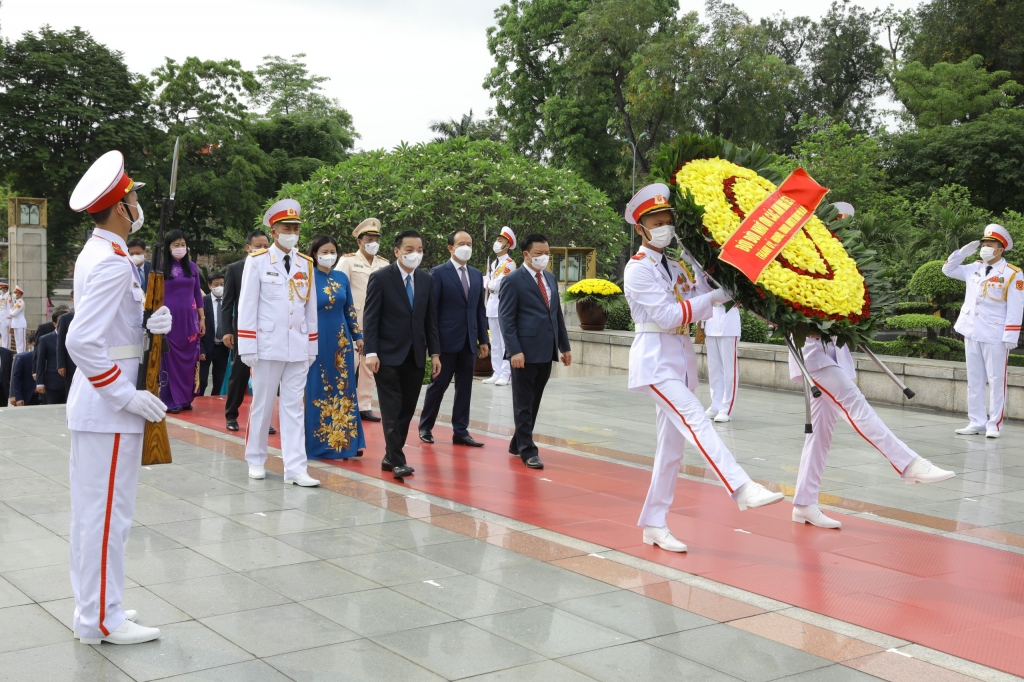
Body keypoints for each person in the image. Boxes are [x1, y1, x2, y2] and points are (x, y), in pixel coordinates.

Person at [623, 183, 783, 554]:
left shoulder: (677, 264)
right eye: (656, 221)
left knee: (671, 450)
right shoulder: (637, 270)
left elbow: (699, 297)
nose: (664, 226)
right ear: (640, 228)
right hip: (654, 361)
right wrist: (712, 297)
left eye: (668, 220)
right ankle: (741, 487)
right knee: (697, 418)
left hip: (680, 361)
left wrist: (723, 280)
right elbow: (665, 316)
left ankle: (654, 523)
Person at [66, 149, 171, 644]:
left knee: (98, 518)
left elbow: (113, 332)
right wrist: (127, 397)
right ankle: (99, 622)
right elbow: (81, 341)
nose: (137, 205)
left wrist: (149, 324)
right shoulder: (109, 263)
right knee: (107, 520)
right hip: (109, 412)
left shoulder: (104, 255)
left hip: (101, 412)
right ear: (119, 208)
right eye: (132, 198)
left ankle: (99, 607)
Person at [789, 337, 956, 528]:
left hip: (831, 352)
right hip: (813, 356)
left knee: (818, 435)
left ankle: (804, 502)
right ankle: (909, 463)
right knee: (856, 405)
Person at [237, 199, 320, 487]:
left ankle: (296, 468)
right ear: (274, 231)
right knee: (262, 404)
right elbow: (247, 304)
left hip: (297, 345)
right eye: (287, 227)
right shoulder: (258, 261)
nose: (293, 232)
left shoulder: (305, 264)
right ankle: (256, 458)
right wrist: (247, 345)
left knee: (294, 406)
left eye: (296, 228)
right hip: (267, 344)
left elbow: (310, 308)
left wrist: (312, 346)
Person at [362, 230, 441, 480]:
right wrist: (371, 352)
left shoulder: (426, 280)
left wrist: (435, 353)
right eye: (409, 249)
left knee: (407, 408)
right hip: (386, 356)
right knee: (391, 406)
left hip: (415, 355)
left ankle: (389, 455)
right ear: (397, 252)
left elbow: (430, 320)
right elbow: (371, 318)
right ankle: (398, 460)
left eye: (418, 249)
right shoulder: (381, 278)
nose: (414, 253)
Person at [943, 224, 1024, 438]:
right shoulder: (974, 268)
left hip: (996, 335)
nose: (985, 247)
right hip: (972, 331)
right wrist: (962, 253)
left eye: (991, 244)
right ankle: (976, 421)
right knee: (975, 379)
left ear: (1001, 249)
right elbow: (947, 269)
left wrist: (1011, 335)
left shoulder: (1012, 274)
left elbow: (1016, 307)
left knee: (997, 380)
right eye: (984, 243)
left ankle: (994, 424)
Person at [498, 233, 571, 470]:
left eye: (547, 253)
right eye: (538, 254)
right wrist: (514, 351)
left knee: (534, 401)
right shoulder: (513, 280)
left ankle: (517, 442)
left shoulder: (549, 279)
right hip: (523, 353)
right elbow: (506, 320)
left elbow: (556, 315)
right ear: (526, 255)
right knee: (523, 401)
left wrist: (564, 346)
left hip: (546, 350)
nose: (544, 257)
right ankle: (528, 450)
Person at [418, 230, 489, 447]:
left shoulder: (477, 275)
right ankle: (425, 426)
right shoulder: (438, 273)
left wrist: (483, 339)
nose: (466, 247)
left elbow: (479, 308)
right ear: (450, 247)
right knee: (438, 385)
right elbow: (432, 311)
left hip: (468, 341)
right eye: (461, 243)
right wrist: (433, 346)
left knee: (465, 387)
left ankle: (461, 430)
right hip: (446, 341)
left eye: (469, 243)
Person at [306, 235, 365, 460]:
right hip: (316, 341)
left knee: (344, 390)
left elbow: (349, 308)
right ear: (314, 253)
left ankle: (347, 442)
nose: (329, 255)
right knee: (318, 389)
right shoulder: (307, 277)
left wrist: (357, 336)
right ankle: (319, 443)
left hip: (341, 343)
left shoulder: (341, 277)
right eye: (324, 251)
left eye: (333, 251)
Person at [336, 218, 390, 422]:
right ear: (359, 241)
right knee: (350, 363)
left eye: (376, 238)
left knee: (370, 363)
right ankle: (344, 402)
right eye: (369, 238)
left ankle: (364, 405)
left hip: (376, 321)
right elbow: (339, 291)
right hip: (353, 320)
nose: (373, 242)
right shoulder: (347, 261)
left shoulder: (384, 263)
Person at [221, 229, 274, 433]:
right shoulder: (235, 269)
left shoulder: (274, 266)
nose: (263, 249)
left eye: (265, 246)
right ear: (248, 247)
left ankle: (262, 418)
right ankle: (231, 415)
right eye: (258, 246)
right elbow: (227, 303)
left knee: (266, 376)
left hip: (268, 328)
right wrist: (227, 330)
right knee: (240, 373)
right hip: (243, 329)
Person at [159, 230, 205, 413]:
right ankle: (171, 400)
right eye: (176, 245)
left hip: (190, 320)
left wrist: (202, 318)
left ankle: (186, 398)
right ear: (168, 247)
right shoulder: (160, 267)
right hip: (169, 320)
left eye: (183, 244)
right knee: (170, 359)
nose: (180, 248)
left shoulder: (192, 267)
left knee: (189, 359)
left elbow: (197, 295)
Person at [483, 226, 517, 386]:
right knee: (494, 342)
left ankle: (506, 373)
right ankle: (496, 372)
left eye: (500, 241)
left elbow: (498, 285)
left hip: (503, 305)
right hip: (492, 305)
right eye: (497, 240)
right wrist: (489, 283)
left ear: (507, 245)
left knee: (504, 342)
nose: (496, 243)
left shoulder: (509, 264)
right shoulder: (495, 264)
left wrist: (487, 283)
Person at [703, 303, 741, 422]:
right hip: (711, 320)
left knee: (729, 370)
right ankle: (716, 405)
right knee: (714, 369)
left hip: (728, 322)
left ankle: (726, 408)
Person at [198, 271, 229, 396]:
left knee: (219, 381)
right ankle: (198, 402)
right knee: (203, 381)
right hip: (206, 347)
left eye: (222, 284)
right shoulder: (203, 302)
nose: (219, 287)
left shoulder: (229, 301)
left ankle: (215, 406)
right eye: (216, 284)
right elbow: (197, 327)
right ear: (210, 286)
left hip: (223, 347)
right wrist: (200, 349)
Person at [35, 307, 71, 404]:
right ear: (54, 324)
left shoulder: (72, 338)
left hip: (71, 381)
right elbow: (40, 362)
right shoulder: (45, 339)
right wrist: (40, 383)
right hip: (53, 382)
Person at [10, 333, 39, 406]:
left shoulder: (45, 356)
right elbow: (15, 378)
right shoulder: (21, 357)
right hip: (27, 395)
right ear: (29, 345)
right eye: (34, 345)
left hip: (41, 394)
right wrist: (14, 395)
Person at [56, 301, 77, 396]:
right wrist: (61, 364)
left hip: (90, 361)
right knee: (71, 392)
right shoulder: (65, 318)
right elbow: (60, 342)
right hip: (71, 363)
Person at [9, 285, 27, 353]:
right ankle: (18, 354)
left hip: (20, 323)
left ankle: (21, 354)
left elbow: (13, 313)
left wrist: (11, 312)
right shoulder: (16, 303)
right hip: (15, 323)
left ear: (19, 294)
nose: (14, 295)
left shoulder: (21, 303)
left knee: (21, 341)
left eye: (15, 293)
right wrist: (11, 312)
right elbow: (11, 312)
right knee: (17, 341)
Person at [0, 281, 10, 351]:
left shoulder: (8, 297)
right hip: (1, 316)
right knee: (2, 335)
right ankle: (3, 349)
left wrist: (8, 320)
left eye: (2, 288)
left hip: (5, 316)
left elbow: (9, 308)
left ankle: (6, 350)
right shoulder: (1, 296)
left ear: (5, 288)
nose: (1, 290)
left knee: (6, 335)